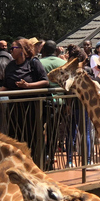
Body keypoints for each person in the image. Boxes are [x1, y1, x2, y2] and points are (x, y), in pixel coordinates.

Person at [3, 37, 49, 154]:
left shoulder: (33, 63)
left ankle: (35, 163)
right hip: (14, 109)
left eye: (13, 48)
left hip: (31, 109)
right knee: (14, 137)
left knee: (31, 137)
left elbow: (45, 81)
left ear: (22, 49)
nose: (11, 50)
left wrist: (28, 86)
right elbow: (6, 85)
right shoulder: (10, 66)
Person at [40, 40, 67, 170]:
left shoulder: (39, 63)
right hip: (60, 102)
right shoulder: (63, 63)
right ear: (56, 51)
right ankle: (50, 158)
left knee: (39, 130)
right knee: (53, 131)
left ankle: (41, 157)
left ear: (43, 50)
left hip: (43, 101)